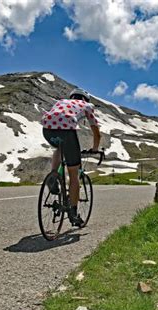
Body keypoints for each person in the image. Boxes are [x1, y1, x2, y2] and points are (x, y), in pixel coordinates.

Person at [41, 87, 101, 226]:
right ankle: (73, 214)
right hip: (67, 131)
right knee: (74, 175)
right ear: (85, 99)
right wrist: (95, 148)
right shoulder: (87, 105)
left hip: (47, 129)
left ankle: (53, 176)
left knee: (59, 147)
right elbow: (96, 132)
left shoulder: (61, 102)